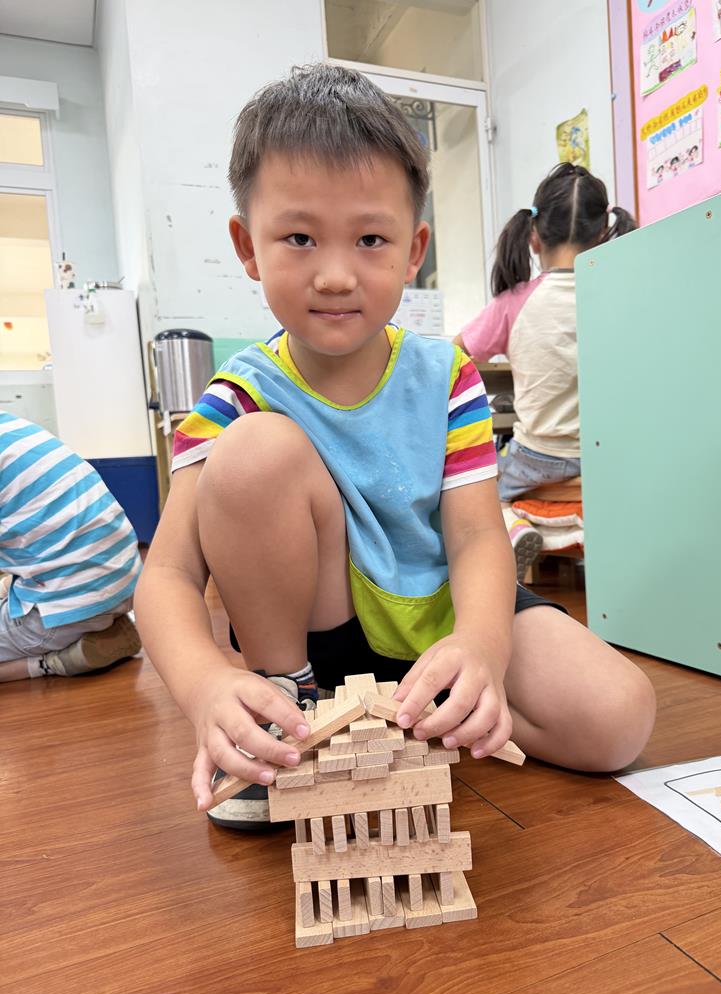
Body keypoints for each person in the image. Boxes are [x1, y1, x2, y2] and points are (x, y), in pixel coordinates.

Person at [134, 64, 655, 832]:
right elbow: (168, 576)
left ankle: (423, 711)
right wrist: (206, 684)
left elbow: (476, 537)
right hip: (324, 638)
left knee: (619, 718)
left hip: (445, 614)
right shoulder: (236, 394)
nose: (336, 275)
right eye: (299, 238)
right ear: (248, 246)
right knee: (254, 455)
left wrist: (482, 647)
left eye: (370, 239)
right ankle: (287, 708)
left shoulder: (447, 376)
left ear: (414, 250)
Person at [455, 163, 636, 577]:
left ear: (533, 237)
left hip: (537, 456)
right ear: (603, 233)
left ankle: (515, 528)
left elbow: (454, 355)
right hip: (610, 456)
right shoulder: (621, 295)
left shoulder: (515, 302)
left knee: (480, 495)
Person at [0, 412, 142, 682]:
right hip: (124, 584)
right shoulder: (13, 427)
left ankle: (53, 662)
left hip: (68, 605)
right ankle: (95, 629)